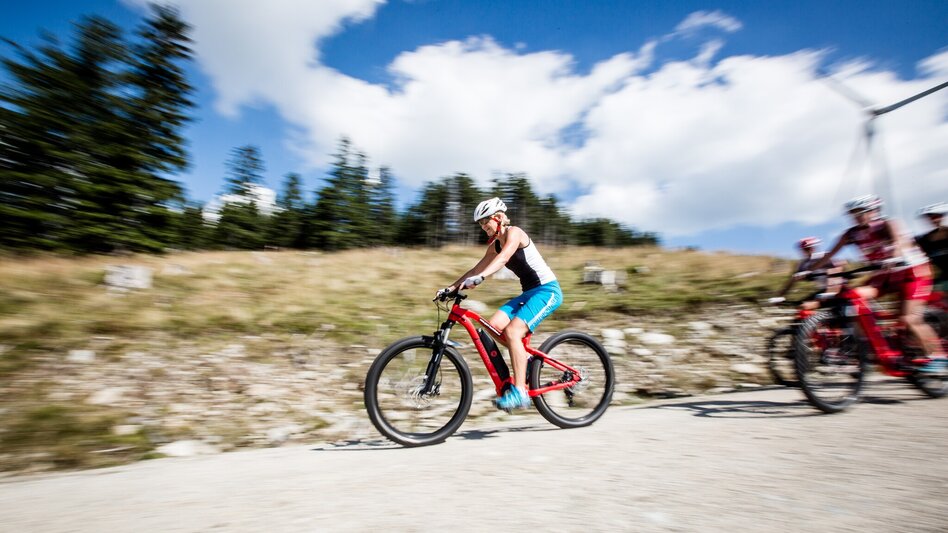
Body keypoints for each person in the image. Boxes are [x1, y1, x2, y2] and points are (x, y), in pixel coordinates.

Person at [437, 197, 563, 411]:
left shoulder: (515, 233)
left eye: (485, 222)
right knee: (492, 326)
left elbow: (504, 258)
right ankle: (524, 358)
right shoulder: (495, 245)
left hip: (547, 291)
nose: (483, 227)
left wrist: (482, 277)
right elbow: (475, 270)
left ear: (498, 218)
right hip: (529, 293)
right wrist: (450, 288)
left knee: (513, 332)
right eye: (480, 224)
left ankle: (520, 393)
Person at [806, 194, 945, 371]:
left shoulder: (887, 224)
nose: (857, 216)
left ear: (873, 211)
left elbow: (899, 241)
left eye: (861, 212)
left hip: (912, 273)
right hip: (884, 274)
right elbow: (830, 254)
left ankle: (938, 357)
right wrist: (809, 270)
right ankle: (867, 346)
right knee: (852, 296)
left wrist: (894, 256)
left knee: (909, 318)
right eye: (853, 213)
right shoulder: (851, 233)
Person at [769, 237, 844, 310]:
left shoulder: (824, 257)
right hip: (823, 291)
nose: (806, 251)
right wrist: (779, 296)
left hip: (837, 289)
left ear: (814, 248)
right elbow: (792, 281)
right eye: (804, 249)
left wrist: (830, 292)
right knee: (801, 306)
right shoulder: (803, 264)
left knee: (806, 306)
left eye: (809, 248)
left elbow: (838, 269)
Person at [915, 202, 948, 294]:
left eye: (937, 217)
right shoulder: (924, 240)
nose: (934, 220)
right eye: (931, 217)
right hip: (940, 278)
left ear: (942, 217)